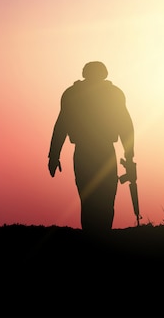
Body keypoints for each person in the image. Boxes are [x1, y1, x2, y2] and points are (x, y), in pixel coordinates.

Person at [48, 61, 135, 233]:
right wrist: (129, 154)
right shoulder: (112, 93)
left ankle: (95, 236)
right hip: (100, 151)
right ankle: (99, 236)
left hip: (89, 151)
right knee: (102, 197)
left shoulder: (74, 93)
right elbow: (126, 126)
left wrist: (54, 155)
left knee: (93, 197)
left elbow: (61, 125)